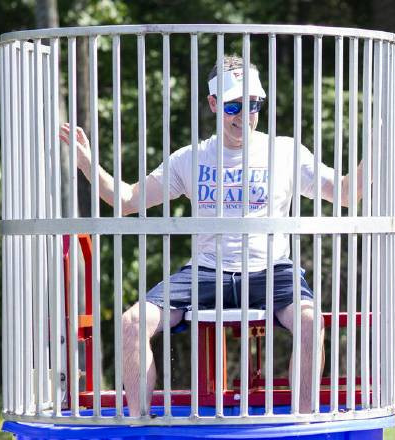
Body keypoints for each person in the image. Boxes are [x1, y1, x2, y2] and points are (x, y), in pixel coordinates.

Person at [60, 55, 361, 417]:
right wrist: (87, 164)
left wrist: (377, 150)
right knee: (131, 323)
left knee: (312, 321)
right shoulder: (191, 158)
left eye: (253, 104)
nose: (244, 114)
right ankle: (141, 427)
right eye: (233, 104)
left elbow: (346, 194)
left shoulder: (285, 151)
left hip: (270, 268)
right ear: (214, 104)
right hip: (206, 272)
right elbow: (125, 201)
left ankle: (304, 422)